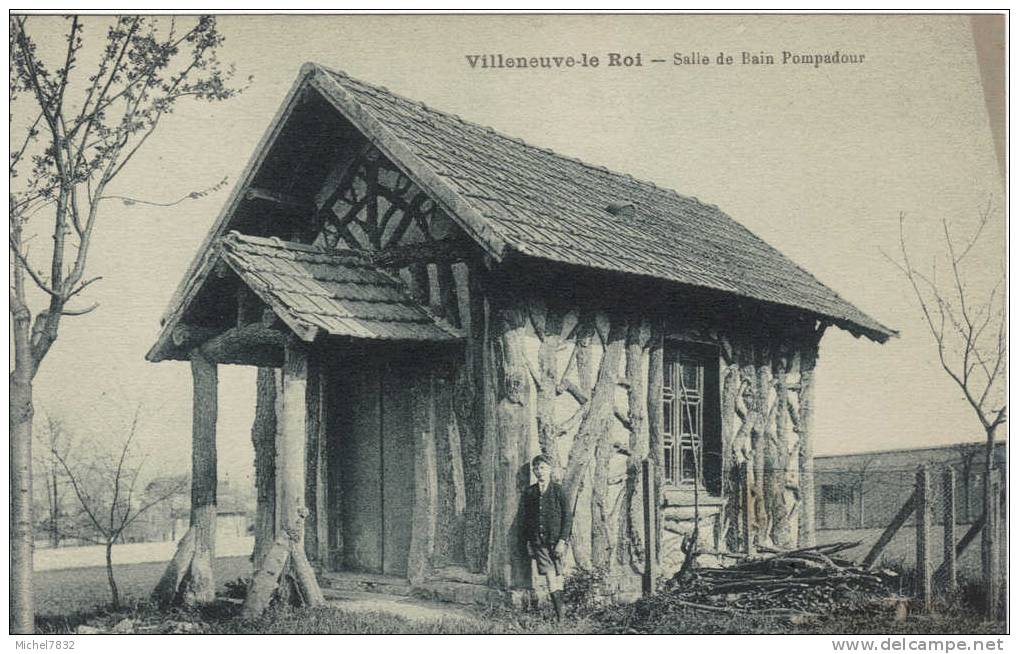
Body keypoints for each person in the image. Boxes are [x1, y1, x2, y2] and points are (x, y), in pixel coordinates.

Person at [523, 453, 573, 621]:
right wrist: (529, 542)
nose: (539, 471)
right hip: (539, 542)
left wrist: (562, 541)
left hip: (557, 541)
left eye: (543, 467)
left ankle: (563, 613)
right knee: (551, 577)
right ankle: (560, 618)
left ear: (550, 470)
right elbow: (527, 519)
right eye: (536, 468)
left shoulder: (558, 490)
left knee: (559, 576)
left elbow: (567, 517)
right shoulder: (530, 492)